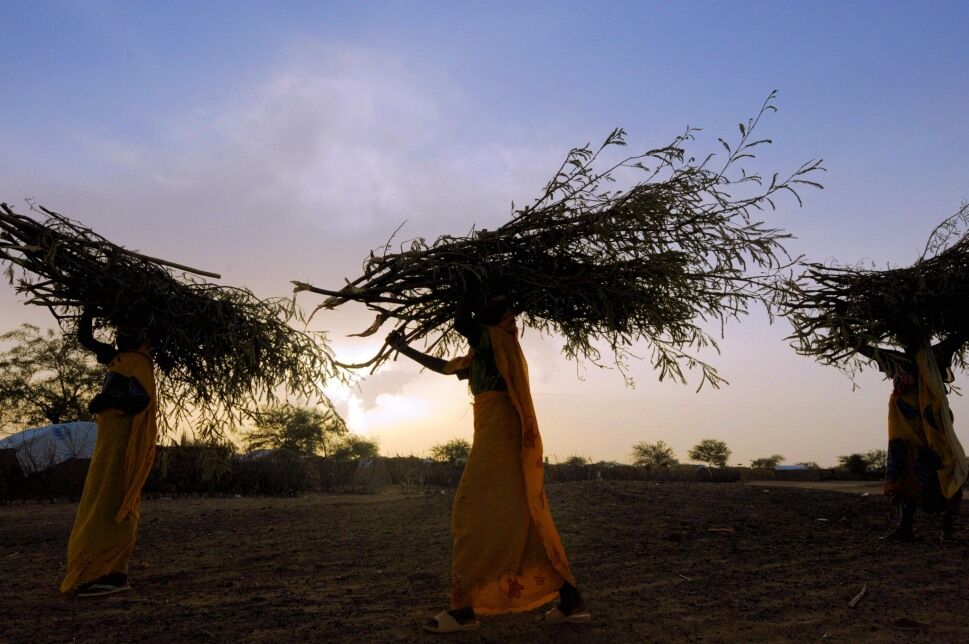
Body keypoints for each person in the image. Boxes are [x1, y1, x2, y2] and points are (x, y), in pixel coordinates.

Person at [388, 289, 590, 633]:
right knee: (521, 516)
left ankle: (465, 610)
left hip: (501, 442)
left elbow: (460, 321)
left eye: (501, 303)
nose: (499, 308)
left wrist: (466, 283)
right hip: (494, 439)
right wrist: (403, 348)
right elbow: (448, 367)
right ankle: (570, 600)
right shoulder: (487, 349)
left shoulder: (498, 339)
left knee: (469, 512)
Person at [60, 309, 158, 597]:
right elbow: (86, 339)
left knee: (113, 501)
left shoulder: (139, 363)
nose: (120, 336)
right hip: (109, 441)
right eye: (120, 331)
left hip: (122, 444)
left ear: (140, 337)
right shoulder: (119, 358)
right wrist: (88, 308)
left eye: (128, 332)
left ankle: (113, 573)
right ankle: (95, 571)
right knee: (99, 499)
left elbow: (140, 400)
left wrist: (106, 400)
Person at [854, 326, 968, 541]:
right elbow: (861, 347)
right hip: (906, 430)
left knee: (949, 471)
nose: (906, 339)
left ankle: (947, 530)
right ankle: (906, 529)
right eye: (903, 335)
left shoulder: (936, 355)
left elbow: (960, 334)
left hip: (936, 427)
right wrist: (845, 331)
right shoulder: (895, 359)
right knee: (907, 476)